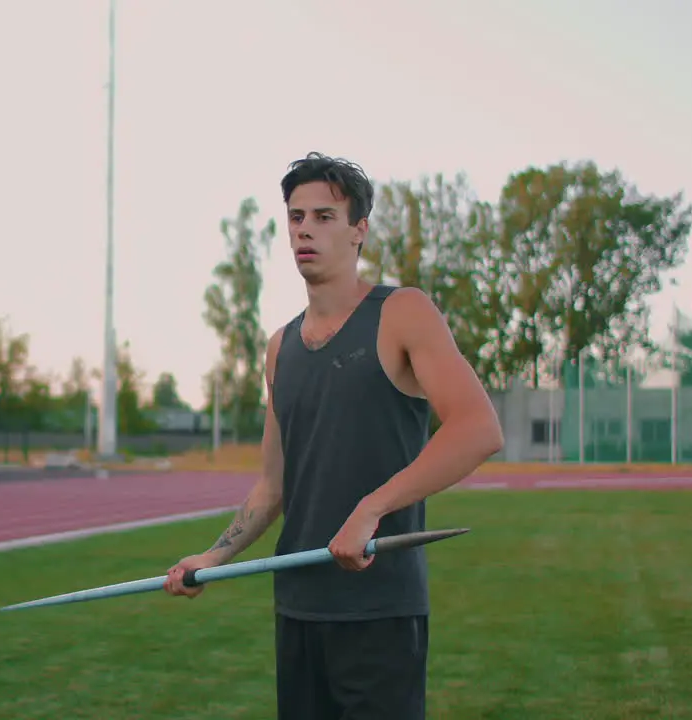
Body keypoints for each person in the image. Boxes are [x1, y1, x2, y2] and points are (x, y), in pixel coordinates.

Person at [162, 152, 504, 719]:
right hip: (297, 608)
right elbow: (273, 486)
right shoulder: (280, 347)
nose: (305, 230)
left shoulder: (402, 312)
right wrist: (214, 555)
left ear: (358, 230)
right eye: (296, 218)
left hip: (378, 611)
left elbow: (477, 429)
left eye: (324, 216)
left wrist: (373, 507)